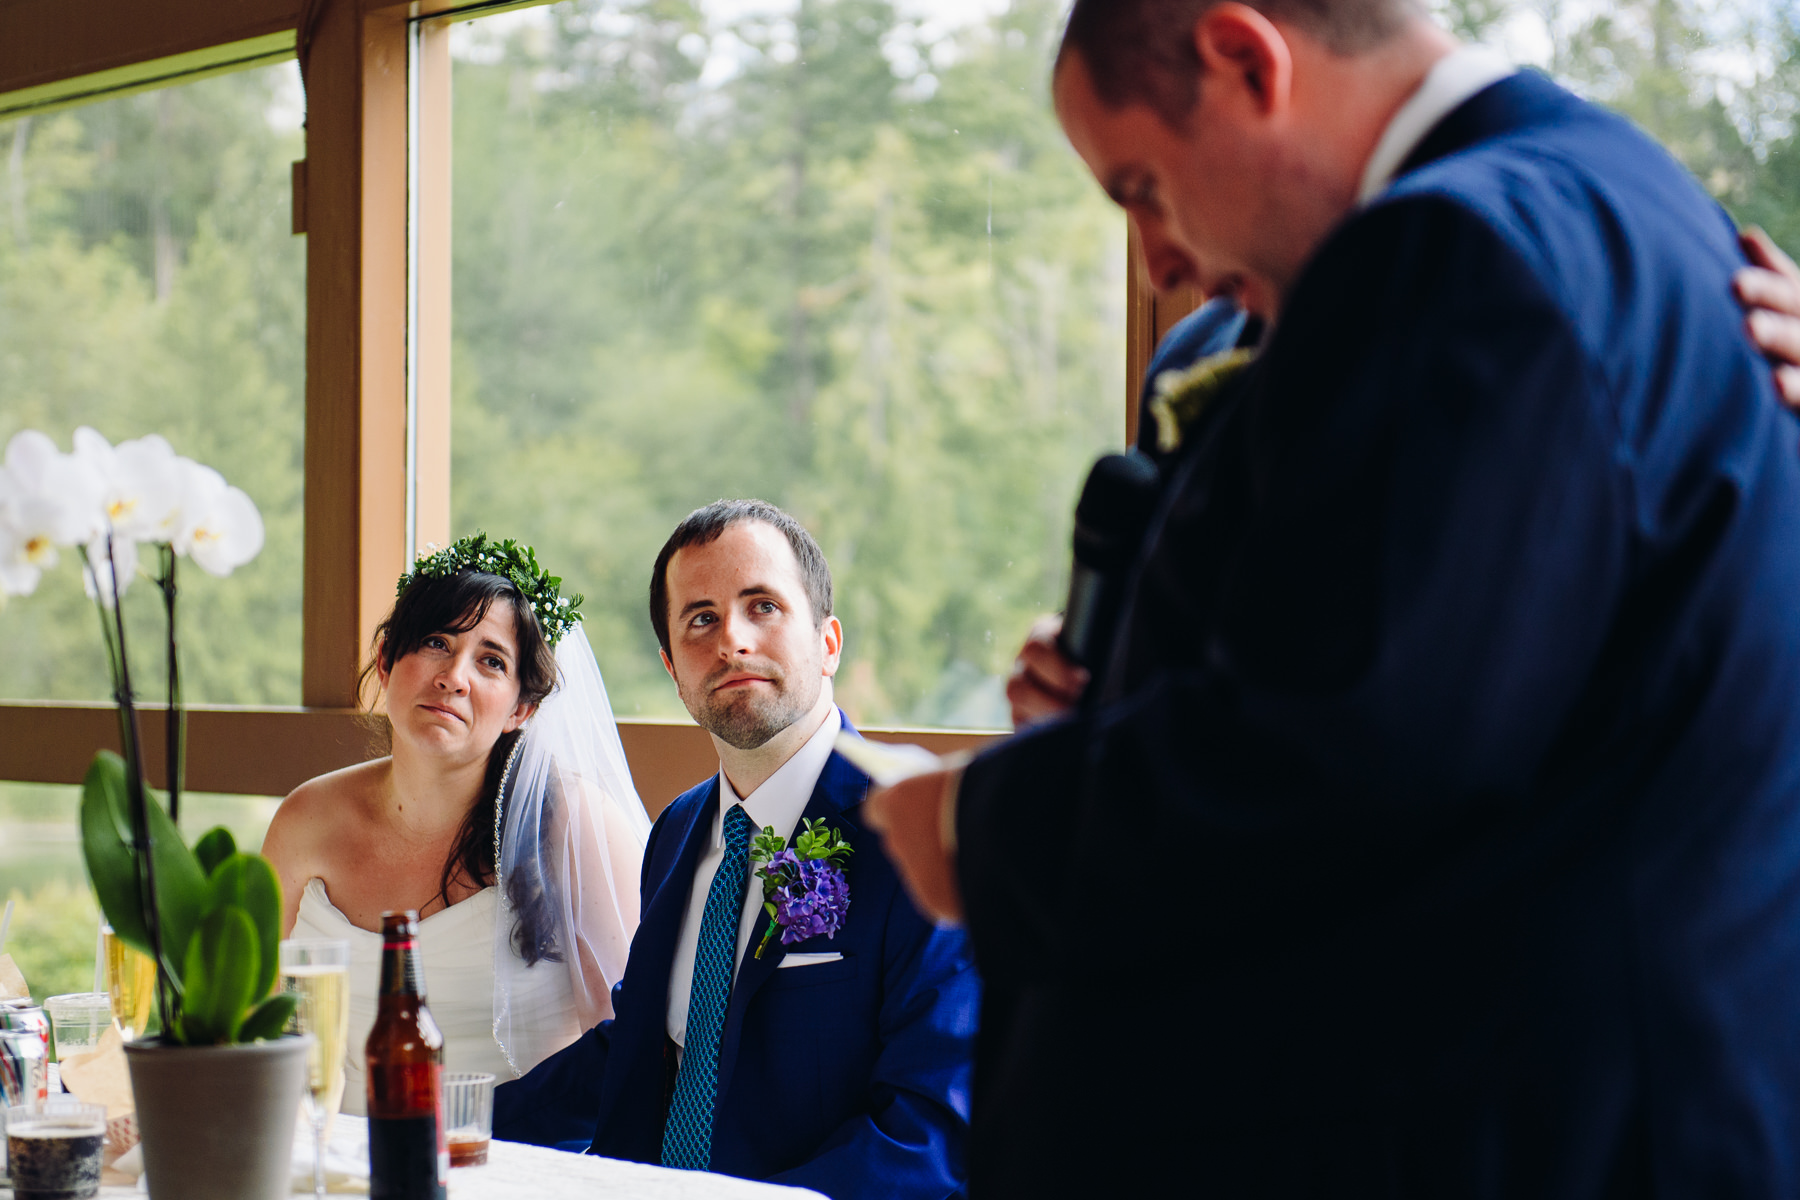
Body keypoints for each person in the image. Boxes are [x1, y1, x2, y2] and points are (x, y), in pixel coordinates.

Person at [868, 1, 1800, 1195]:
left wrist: (978, 830)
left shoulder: (1458, 250)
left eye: (1143, 187)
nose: (1159, 261)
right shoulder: (1633, 205)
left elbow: (1358, 743)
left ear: (1246, 58)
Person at [493, 499, 978, 1200]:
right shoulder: (677, 831)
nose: (732, 642)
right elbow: (638, 1045)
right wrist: (453, 1126)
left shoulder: (919, 834)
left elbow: (927, 1135)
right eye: (701, 620)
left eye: (763, 607)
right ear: (671, 666)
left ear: (829, 641)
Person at [265, 534, 649, 1114]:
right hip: (341, 1163)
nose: (454, 677)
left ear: (522, 709)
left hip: (516, 1160)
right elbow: (251, 1016)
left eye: (491, 661)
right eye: (436, 642)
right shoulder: (306, 818)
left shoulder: (574, 824)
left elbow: (629, 1047)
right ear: (389, 661)